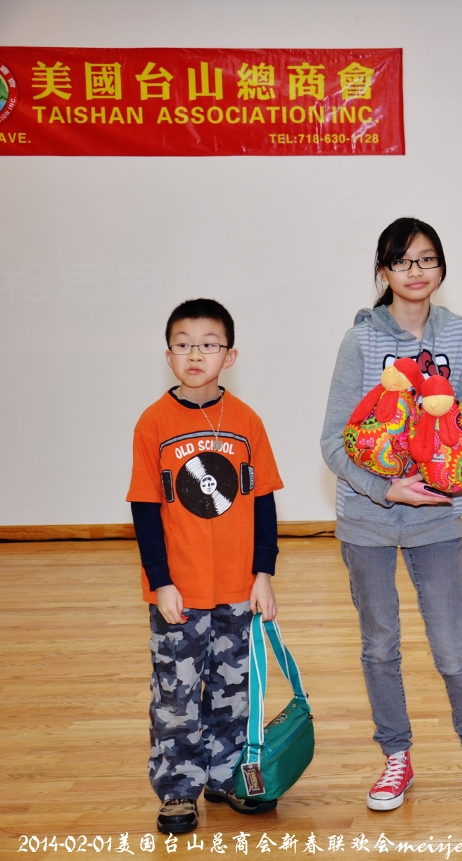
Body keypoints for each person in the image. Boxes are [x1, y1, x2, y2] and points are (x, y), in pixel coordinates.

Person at [320, 217, 462, 811]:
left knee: (450, 641)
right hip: (368, 518)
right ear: (383, 270)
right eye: (403, 260)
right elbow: (333, 442)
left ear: (441, 267)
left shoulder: (460, 336)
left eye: (427, 258)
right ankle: (396, 757)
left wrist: (446, 472)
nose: (416, 271)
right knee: (380, 643)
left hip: (436, 517)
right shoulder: (360, 342)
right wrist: (385, 490)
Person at [128, 298, 283, 835]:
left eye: (209, 344)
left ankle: (224, 776)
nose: (196, 354)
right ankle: (177, 789)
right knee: (176, 694)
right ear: (168, 355)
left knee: (232, 690)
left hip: (239, 588)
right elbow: (144, 509)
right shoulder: (153, 423)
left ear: (230, 355)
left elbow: (263, 502)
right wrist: (161, 582)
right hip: (181, 590)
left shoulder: (246, 421)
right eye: (184, 344)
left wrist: (263, 573)